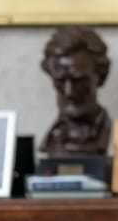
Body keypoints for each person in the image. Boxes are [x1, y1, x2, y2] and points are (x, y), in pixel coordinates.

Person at [40, 26, 112, 156]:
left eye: (79, 81)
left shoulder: (113, 137)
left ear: (101, 77)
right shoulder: (51, 139)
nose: (69, 92)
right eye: (60, 81)